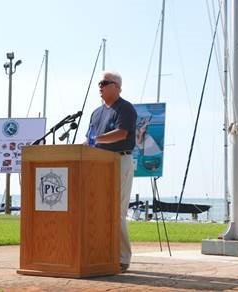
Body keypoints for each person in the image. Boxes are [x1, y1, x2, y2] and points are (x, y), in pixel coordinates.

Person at [86, 70, 137, 273]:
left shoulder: (125, 108)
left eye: (104, 82)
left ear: (117, 87)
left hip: (120, 160)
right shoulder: (96, 113)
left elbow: (121, 133)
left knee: (116, 211)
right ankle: (103, 254)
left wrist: (95, 140)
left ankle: (123, 258)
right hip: (98, 164)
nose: (100, 86)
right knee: (98, 210)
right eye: (99, 83)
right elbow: (90, 138)